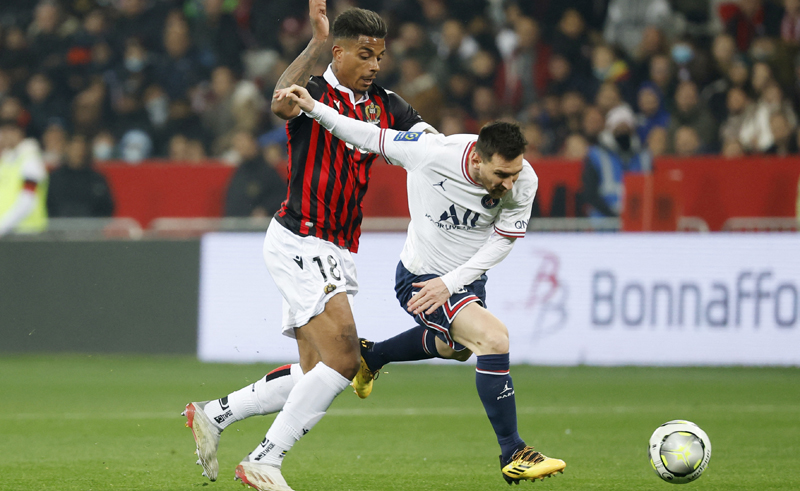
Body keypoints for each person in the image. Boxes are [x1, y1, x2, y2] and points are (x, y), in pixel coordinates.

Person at [182, 2, 433, 490]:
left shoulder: (386, 104)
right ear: (338, 53)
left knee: (315, 371)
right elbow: (279, 101)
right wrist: (314, 43)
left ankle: (214, 413)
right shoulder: (315, 91)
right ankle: (264, 461)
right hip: (303, 237)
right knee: (344, 360)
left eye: (380, 55)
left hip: (339, 247)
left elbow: (429, 143)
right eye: (364, 55)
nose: (375, 65)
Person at [273, 83, 567, 484]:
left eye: (514, 174)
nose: (509, 186)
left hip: (460, 281)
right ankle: (514, 452)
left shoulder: (523, 178)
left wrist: (454, 282)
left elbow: (503, 241)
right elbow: (369, 134)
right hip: (420, 278)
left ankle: (371, 358)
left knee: (455, 348)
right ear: (477, 159)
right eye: (501, 175)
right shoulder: (432, 153)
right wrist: (315, 109)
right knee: (494, 340)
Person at [582, 105, 652, 217]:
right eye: (619, 129)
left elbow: (653, 190)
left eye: (626, 129)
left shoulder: (644, 157)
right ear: (610, 129)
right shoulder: (596, 156)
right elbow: (590, 194)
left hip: (638, 221)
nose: (623, 133)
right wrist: (614, 216)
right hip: (604, 223)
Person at [46, 134, 115, 218]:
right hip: (59, 228)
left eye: (81, 149)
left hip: (91, 229)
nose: (78, 152)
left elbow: (107, 207)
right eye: (75, 148)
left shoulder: (96, 179)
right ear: (67, 149)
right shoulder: (54, 178)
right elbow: (47, 205)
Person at [0, 119, 48, 237]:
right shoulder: (7, 161)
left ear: (19, 133)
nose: (3, 136)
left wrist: (1, 227)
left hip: (27, 233)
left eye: (7, 132)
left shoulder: (31, 161)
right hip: (8, 233)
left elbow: (27, 201)